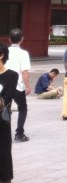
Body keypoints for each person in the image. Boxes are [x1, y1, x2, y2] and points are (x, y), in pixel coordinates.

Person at [0, 42, 20, 183]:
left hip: (1, 120)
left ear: (1, 55)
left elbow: (7, 98)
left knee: (3, 151)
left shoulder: (12, 75)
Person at [7, 28, 31, 142]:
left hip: (4, 85)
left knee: (4, 109)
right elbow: (24, 71)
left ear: (9, 39)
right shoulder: (23, 53)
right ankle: (19, 134)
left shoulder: (3, 51)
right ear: (21, 39)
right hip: (17, 86)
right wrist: (27, 86)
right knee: (22, 108)